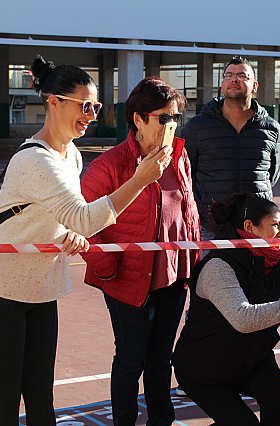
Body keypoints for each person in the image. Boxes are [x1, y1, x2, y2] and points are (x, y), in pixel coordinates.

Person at [0, 57, 171, 424]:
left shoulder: (71, 155)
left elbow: (66, 217)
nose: (91, 115)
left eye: (97, 106)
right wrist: (139, 180)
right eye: (84, 105)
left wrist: (68, 231)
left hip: (41, 286)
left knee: (42, 398)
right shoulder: (35, 160)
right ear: (53, 102)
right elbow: (85, 218)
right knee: (7, 401)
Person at [80, 76, 201, 426]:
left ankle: (161, 421)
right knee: (132, 358)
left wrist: (191, 263)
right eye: (164, 117)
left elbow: (188, 211)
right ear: (139, 119)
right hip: (128, 279)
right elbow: (84, 224)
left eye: (176, 117)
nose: (171, 125)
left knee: (161, 359)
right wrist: (108, 266)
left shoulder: (178, 156)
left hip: (172, 278)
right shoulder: (109, 166)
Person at [172, 193, 280, 425]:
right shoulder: (218, 266)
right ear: (249, 227)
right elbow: (243, 319)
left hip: (252, 359)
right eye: (275, 226)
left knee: (279, 399)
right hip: (204, 368)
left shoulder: (278, 267)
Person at [181, 56, 280, 239]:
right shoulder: (197, 127)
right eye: (229, 75)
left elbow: (272, 174)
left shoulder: (271, 129)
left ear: (255, 86)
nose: (234, 79)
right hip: (211, 226)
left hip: (257, 226)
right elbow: (186, 173)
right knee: (211, 268)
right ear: (222, 85)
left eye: (242, 75)